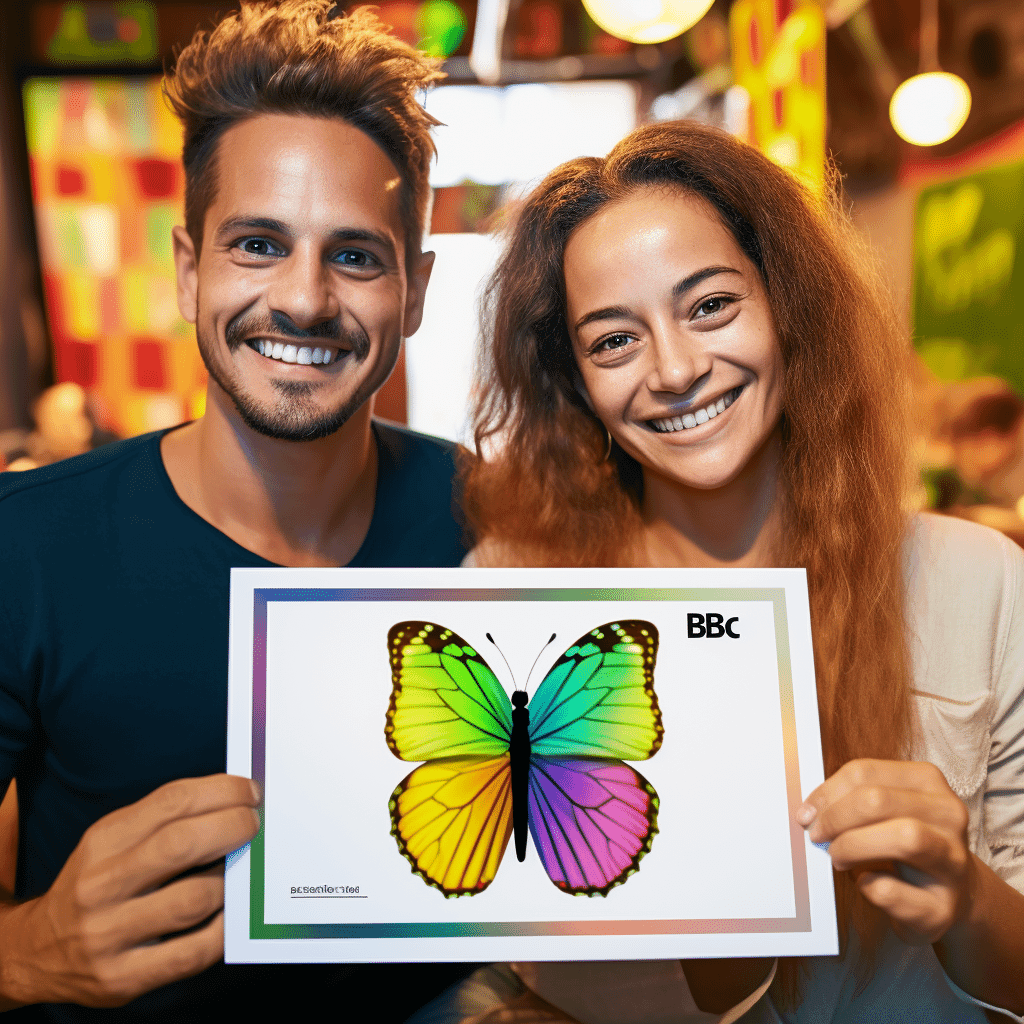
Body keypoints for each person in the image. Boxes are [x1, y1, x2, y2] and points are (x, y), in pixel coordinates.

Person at [442, 121, 1024, 1022]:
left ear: (788, 306)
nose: (675, 369)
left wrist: (965, 894)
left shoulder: (975, 586)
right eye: (612, 342)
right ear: (577, 383)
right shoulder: (515, 592)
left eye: (710, 304)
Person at [0, 2, 477, 1019]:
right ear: (187, 269)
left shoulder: (489, 519)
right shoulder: (26, 545)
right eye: (258, 243)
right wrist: (24, 952)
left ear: (417, 290)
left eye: (355, 255)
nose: (304, 300)